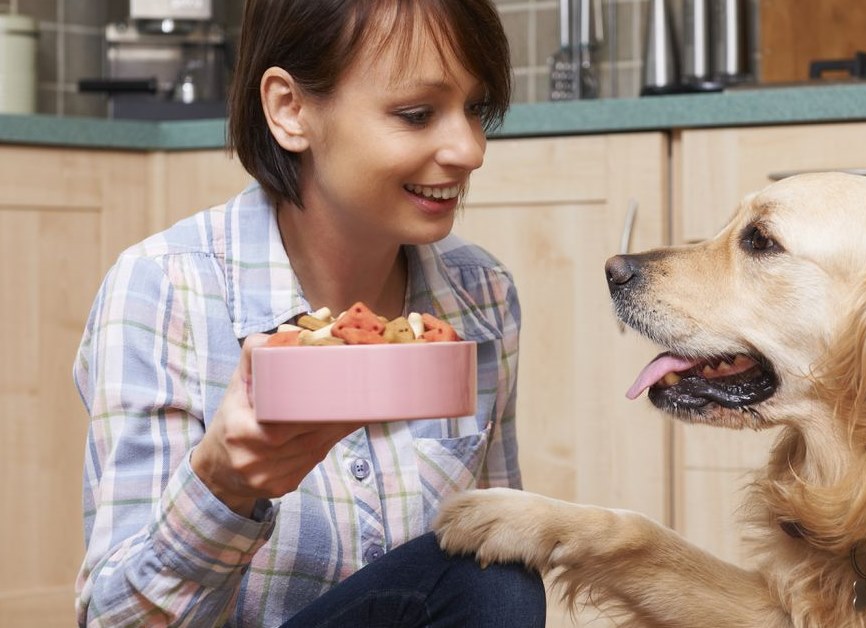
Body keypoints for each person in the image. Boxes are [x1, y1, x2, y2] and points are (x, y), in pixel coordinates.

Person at [72, 0, 546, 625]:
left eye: (475, 110)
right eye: (417, 113)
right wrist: (224, 489)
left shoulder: (482, 297)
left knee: (497, 558)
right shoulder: (165, 290)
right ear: (289, 110)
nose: (470, 149)